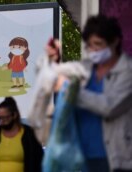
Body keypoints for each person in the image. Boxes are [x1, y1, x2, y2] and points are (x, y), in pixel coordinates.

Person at [46, 15, 132, 172]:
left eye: (98, 44)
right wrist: (54, 60)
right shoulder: (85, 67)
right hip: (82, 156)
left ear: (114, 42)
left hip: (115, 157)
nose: (93, 50)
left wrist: (71, 90)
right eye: (89, 46)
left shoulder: (127, 71)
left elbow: (109, 107)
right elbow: (55, 80)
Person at [0, 97, 43, 172]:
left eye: (5, 118)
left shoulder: (28, 134)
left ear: (14, 115)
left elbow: (38, 160)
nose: (1, 121)